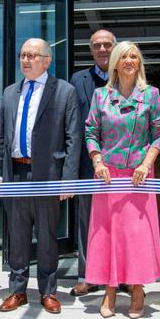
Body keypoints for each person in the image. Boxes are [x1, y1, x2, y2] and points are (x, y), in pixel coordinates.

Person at [0, 38, 80, 315]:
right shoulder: (8, 93)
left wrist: (68, 178)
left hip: (48, 175)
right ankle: (17, 291)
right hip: (15, 173)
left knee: (47, 235)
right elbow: (1, 136)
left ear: (47, 60)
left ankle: (49, 291)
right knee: (17, 236)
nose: (26, 60)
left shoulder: (65, 92)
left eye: (32, 55)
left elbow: (73, 138)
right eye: (23, 55)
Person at [84, 41, 160, 319]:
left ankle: (137, 288)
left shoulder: (151, 95)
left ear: (139, 63)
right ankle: (109, 288)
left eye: (134, 57)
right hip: (107, 175)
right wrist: (96, 161)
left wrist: (147, 163)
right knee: (106, 233)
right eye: (124, 57)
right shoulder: (100, 96)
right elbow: (91, 131)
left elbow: (159, 133)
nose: (129, 61)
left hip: (139, 176)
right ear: (115, 63)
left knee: (136, 235)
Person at [69, 28, 115, 297]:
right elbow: (74, 124)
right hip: (89, 163)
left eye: (107, 45)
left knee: (119, 221)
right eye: (97, 45)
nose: (102, 50)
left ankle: (120, 275)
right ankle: (88, 275)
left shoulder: (126, 76)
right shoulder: (78, 79)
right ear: (91, 50)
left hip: (122, 164)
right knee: (88, 222)